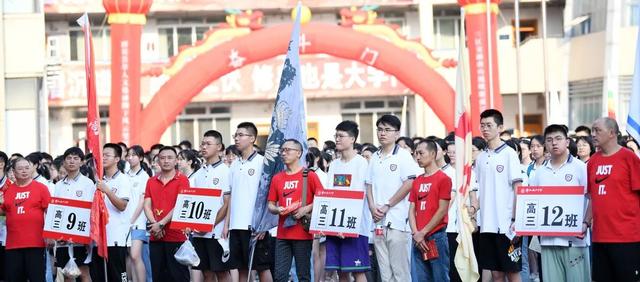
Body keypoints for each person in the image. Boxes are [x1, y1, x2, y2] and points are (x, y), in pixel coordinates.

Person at [529, 124, 591, 281]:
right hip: (548, 241)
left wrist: (585, 223)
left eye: (558, 139)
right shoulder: (540, 172)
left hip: (575, 241)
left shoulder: (581, 168)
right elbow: (533, 202)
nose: (554, 143)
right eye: (549, 140)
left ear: (567, 142)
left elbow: (592, 198)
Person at [585, 117, 640, 282]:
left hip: (627, 237)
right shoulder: (592, 162)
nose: (593, 134)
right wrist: (586, 222)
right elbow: (593, 197)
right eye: (592, 130)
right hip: (600, 236)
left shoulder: (629, 158)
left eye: (597, 130)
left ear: (611, 133)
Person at [366, 115, 419, 282]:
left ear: (397, 134)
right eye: (380, 129)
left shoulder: (403, 156)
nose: (383, 133)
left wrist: (387, 205)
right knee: (385, 272)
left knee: (400, 272)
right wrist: (373, 207)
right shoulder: (375, 156)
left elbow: (410, 183)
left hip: (397, 221)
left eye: (387, 130)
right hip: (378, 222)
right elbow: (368, 185)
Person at [475, 109, 523, 282]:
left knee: (512, 270)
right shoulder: (480, 158)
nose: (485, 129)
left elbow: (518, 187)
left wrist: (516, 219)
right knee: (495, 273)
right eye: (482, 125)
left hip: (506, 225)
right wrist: (473, 211)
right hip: (487, 224)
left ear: (500, 127)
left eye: (489, 125)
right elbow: (480, 189)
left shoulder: (509, 154)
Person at [268, 139, 321, 282]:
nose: (284, 153)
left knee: (303, 275)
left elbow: (322, 199)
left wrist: (306, 209)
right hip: (283, 234)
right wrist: (277, 209)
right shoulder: (277, 178)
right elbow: (270, 204)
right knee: (280, 276)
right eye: (282, 150)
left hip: (302, 233)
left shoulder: (309, 175)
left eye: (288, 150)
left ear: (298, 153)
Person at [225, 122, 273, 282]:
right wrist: (227, 225)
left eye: (241, 135)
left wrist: (264, 225)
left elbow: (269, 195)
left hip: (254, 226)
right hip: (235, 225)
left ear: (252, 138)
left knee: (262, 267)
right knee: (241, 267)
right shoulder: (234, 164)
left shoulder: (262, 163)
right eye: (235, 135)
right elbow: (231, 195)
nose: (236, 139)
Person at [325, 121, 372, 281]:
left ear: (352, 139)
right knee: (341, 271)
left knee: (358, 270)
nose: (337, 139)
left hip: (355, 227)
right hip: (335, 225)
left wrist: (346, 226)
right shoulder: (334, 165)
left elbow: (359, 195)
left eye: (341, 136)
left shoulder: (361, 163)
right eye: (336, 135)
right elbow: (329, 194)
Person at [144, 146, 190, 282]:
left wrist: (161, 224)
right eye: (162, 158)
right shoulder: (151, 181)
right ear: (158, 160)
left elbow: (180, 205)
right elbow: (147, 204)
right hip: (156, 236)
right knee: (158, 275)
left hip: (176, 235)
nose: (166, 161)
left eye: (170, 158)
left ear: (176, 161)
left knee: (178, 275)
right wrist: (154, 225)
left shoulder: (182, 180)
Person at [190, 130, 232, 282]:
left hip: (217, 231)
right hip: (199, 233)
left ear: (219, 147)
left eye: (208, 144)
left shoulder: (225, 171)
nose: (203, 147)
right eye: (202, 143)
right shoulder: (199, 173)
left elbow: (227, 203)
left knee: (221, 272)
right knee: (205, 272)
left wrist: (208, 224)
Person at [1, 157, 51, 282]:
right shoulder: (7, 190)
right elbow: (3, 211)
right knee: (13, 278)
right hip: (13, 245)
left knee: (36, 278)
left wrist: (50, 235)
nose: (24, 171)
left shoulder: (41, 188)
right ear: (13, 171)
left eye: (27, 168)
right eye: (20, 168)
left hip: (35, 243)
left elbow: (50, 211)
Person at [409, 139, 452, 282]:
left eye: (421, 153)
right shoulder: (417, 181)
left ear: (433, 154)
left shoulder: (443, 179)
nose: (418, 157)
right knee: (420, 278)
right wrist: (416, 233)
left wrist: (423, 232)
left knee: (440, 277)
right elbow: (411, 210)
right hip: (417, 238)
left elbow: (442, 210)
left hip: (436, 236)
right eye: (416, 154)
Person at [91, 143, 133, 282]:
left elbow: (122, 206)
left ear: (117, 159)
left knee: (117, 277)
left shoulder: (123, 179)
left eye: (107, 155)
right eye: (101, 155)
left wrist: (107, 190)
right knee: (99, 277)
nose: (103, 158)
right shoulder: (98, 181)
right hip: (99, 238)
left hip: (116, 237)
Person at [53, 147, 96, 282]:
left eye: (76, 158)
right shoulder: (59, 185)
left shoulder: (88, 183)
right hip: (63, 237)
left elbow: (90, 210)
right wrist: (57, 234)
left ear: (82, 162)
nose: (72, 161)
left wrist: (83, 235)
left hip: (81, 236)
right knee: (68, 274)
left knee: (83, 272)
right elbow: (56, 210)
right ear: (64, 162)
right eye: (69, 158)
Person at [126, 145, 152, 282]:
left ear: (141, 158)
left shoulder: (144, 176)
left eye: (134, 155)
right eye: (128, 155)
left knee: (136, 255)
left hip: (138, 222)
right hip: (124, 222)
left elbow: (142, 201)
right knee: (130, 256)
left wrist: (132, 219)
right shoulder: (124, 176)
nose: (130, 158)